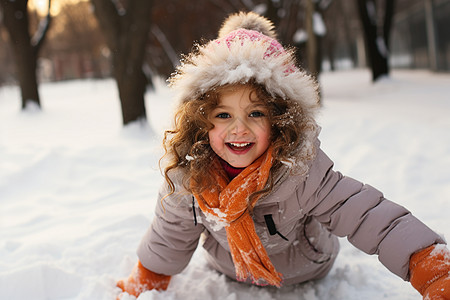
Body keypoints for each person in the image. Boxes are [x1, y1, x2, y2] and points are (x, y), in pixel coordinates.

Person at [116, 12, 450, 299]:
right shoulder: (190, 179)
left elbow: (368, 216)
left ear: (280, 121)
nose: (239, 130)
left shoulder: (301, 171)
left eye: (256, 114)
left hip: (309, 268)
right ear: (199, 121)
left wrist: (429, 267)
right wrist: (148, 280)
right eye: (222, 115)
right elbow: (169, 235)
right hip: (232, 271)